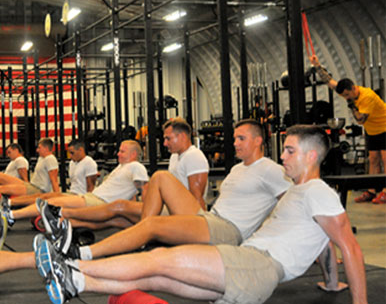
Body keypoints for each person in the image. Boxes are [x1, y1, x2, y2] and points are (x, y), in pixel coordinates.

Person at [34, 124, 386, 304]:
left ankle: (74, 263)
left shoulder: (319, 191)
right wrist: (331, 283)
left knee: (159, 260)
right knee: (157, 278)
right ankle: (77, 283)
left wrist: (361, 303)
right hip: (246, 268)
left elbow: (348, 244)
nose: (283, 156)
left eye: (290, 151)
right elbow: (325, 242)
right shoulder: (301, 192)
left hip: (256, 267)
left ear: (311, 156)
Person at [0, 119, 291, 279]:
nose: (235, 142)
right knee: (146, 191)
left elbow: (293, 207)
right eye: (235, 137)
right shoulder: (239, 168)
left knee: (131, 210)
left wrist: (264, 244)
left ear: (258, 140)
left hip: (223, 229)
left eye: (241, 138)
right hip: (209, 218)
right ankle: (67, 224)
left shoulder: (270, 169)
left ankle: (84, 251)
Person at [26, 117, 209, 231]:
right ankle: (61, 221)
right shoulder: (175, 158)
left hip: (182, 214)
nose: (166, 143)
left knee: (119, 207)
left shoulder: (194, 156)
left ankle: (58, 215)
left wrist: (200, 228)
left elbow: (197, 197)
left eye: (168, 139)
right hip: (168, 207)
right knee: (116, 219)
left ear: (183, 136)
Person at [0, 140, 148, 229]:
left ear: (133, 154)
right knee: (52, 202)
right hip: (93, 197)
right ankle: (11, 212)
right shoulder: (122, 167)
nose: (118, 154)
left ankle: (11, 215)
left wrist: (147, 216)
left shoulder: (136, 167)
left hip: (98, 201)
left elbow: (144, 191)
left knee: (51, 202)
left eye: (122, 151)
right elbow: (132, 193)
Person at [310, 54, 386, 204]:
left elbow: (359, 120)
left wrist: (351, 106)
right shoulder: (348, 91)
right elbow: (329, 81)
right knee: (373, 160)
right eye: (343, 96)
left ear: (353, 88)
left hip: (384, 128)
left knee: (385, 158)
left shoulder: (367, 97)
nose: (345, 97)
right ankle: (371, 191)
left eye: (347, 95)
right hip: (372, 131)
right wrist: (317, 66)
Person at [8, 139, 98, 208]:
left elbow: (90, 187)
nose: (70, 156)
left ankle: (10, 209)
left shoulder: (89, 162)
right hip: (72, 193)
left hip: (80, 197)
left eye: (72, 153)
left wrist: (88, 205)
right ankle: (8, 203)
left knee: (46, 197)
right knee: (43, 197)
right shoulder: (72, 163)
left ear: (81, 150)